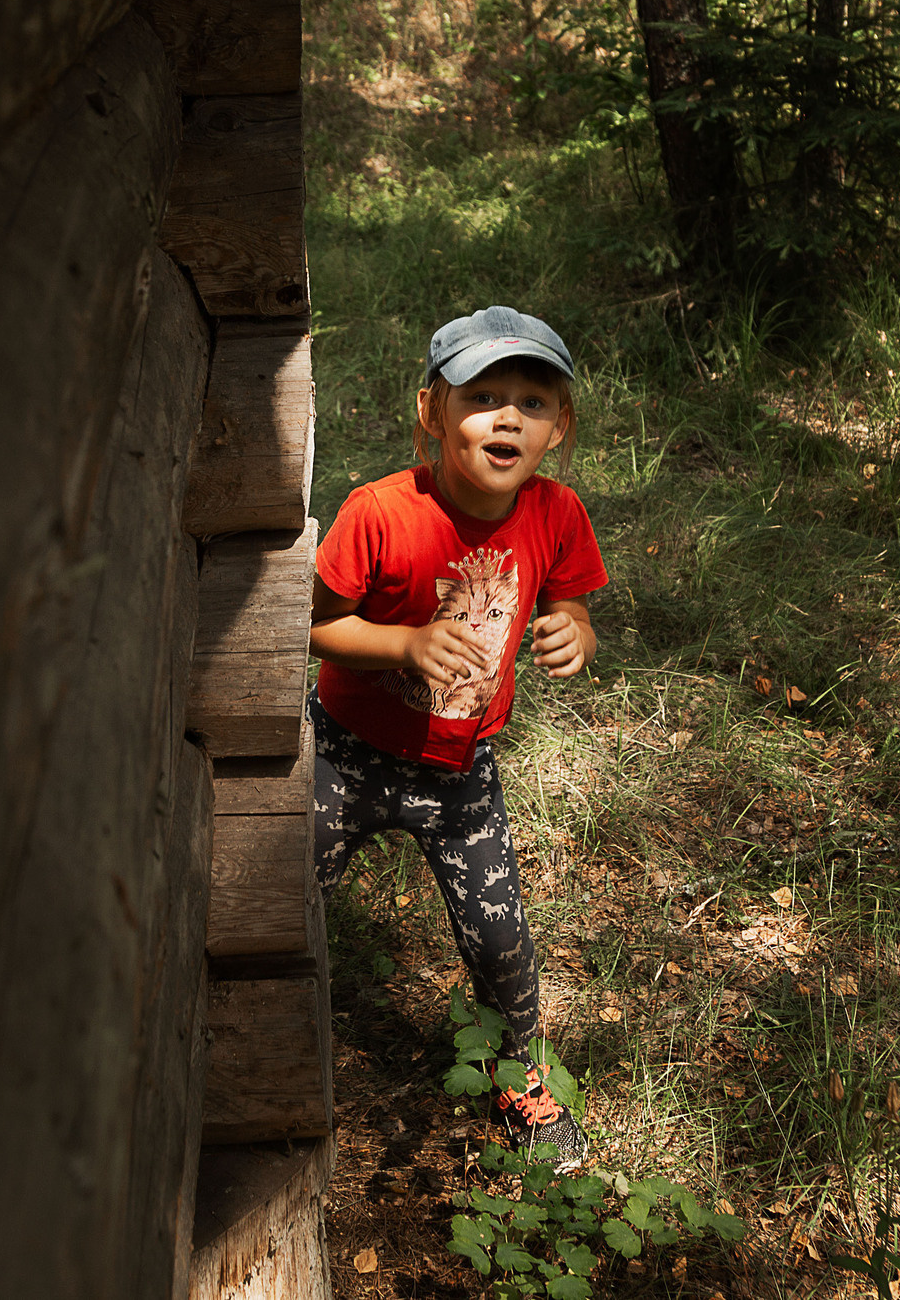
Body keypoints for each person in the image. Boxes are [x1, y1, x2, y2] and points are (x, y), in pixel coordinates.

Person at [308, 305, 606, 1172]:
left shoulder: (555, 513)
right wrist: (402, 643)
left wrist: (573, 631)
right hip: (347, 751)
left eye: (532, 401)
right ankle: (250, 1027)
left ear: (560, 427)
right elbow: (316, 627)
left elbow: (570, 601)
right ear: (431, 412)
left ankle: (520, 1077)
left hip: (461, 772)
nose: (508, 415)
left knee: (501, 936)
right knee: (284, 898)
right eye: (483, 396)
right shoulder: (379, 512)